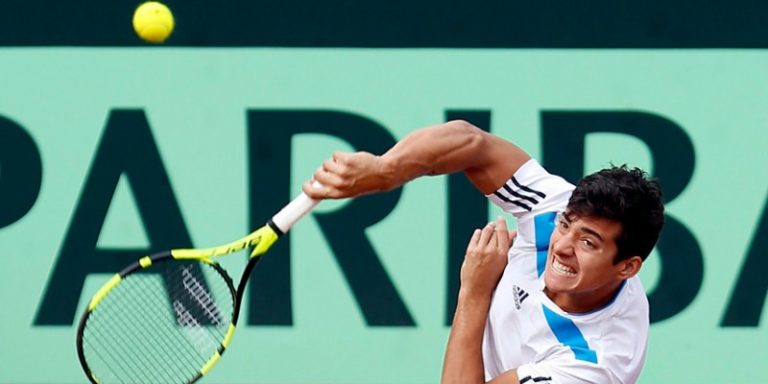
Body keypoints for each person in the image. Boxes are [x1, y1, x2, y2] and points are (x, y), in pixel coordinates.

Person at [302, 120, 664, 384]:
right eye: (566, 225)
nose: (563, 246)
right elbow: (473, 143)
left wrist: (474, 292)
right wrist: (385, 171)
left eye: (588, 243)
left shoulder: (595, 364)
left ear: (628, 267)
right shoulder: (553, 211)